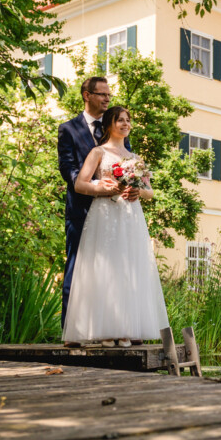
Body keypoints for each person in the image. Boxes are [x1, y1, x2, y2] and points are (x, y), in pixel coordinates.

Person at [62, 106, 170, 346]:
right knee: (105, 269)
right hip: (104, 214)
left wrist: (138, 191)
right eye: (120, 120)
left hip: (130, 216)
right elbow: (80, 184)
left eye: (128, 120)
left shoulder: (135, 159)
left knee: (128, 268)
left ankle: (125, 329)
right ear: (109, 124)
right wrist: (103, 187)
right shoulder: (98, 152)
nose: (125, 124)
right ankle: (105, 331)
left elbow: (151, 192)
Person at [58, 76, 115, 327]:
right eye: (102, 94)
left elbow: (124, 164)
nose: (107, 99)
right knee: (76, 268)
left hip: (112, 212)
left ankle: (103, 328)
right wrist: (93, 186)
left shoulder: (114, 127)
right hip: (80, 209)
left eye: (109, 95)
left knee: (110, 271)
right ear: (86, 95)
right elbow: (67, 168)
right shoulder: (68, 129)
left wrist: (129, 186)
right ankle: (70, 331)